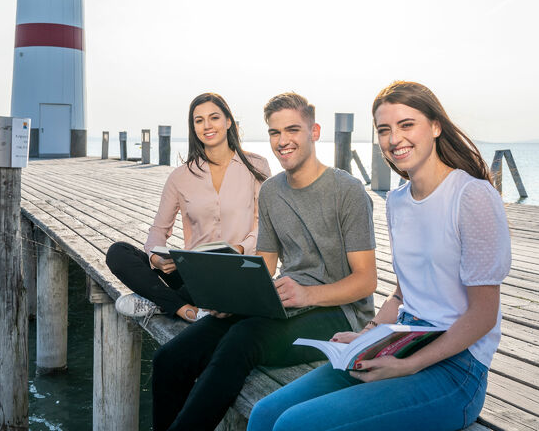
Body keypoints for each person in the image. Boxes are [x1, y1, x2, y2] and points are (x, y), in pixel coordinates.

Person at [248, 81, 512, 431]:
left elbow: (483, 314)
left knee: (293, 425)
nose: (394, 139)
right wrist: (366, 335)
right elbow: (403, 293)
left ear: (435, 126)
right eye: (384, 130)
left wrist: (409, 365)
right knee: (264, 414)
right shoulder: (398, 201)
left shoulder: (471, 196)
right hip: (400, 342)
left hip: (457, 369)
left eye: (407, 125)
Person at [151, 92, 377, 431]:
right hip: (285, 301)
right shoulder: (271, 191)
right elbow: (265, 266)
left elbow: (366, 281)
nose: (282, 141)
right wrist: (234, 299)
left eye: (292, 130)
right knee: (170, 358)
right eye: (274, 132)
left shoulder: (348, 190)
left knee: (243, 340)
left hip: (340, 314)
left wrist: (307, 295)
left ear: (314, 132)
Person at [106, 92, 270, 322]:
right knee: (118, 253)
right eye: (199, 120)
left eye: (214, 117)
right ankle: (188, 311)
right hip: (197, 275)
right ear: (193, 127)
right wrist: (156, 258)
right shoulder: (180, 176)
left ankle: (161, 303)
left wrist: (240, 248)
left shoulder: (256, 166)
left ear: (228, 121)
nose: (207, 126)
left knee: (216, 290)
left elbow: (265, 225)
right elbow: (158, 230)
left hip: (239, 271)